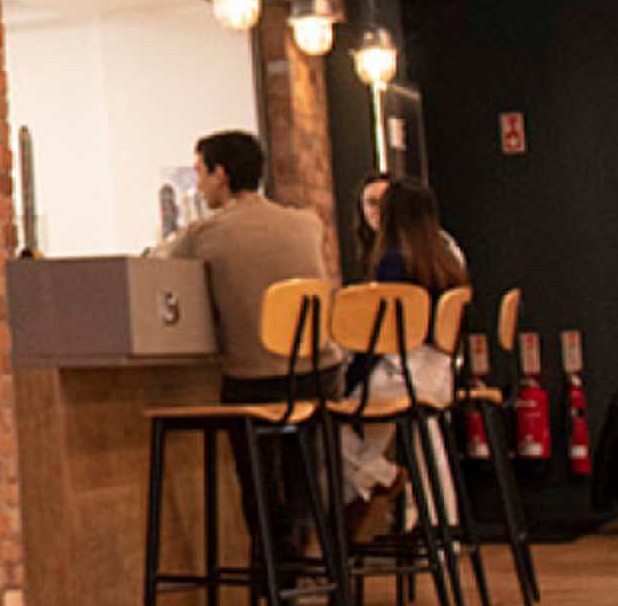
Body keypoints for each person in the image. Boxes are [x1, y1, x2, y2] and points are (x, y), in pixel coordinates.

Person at [154, 131, 334, 404]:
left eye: (201, 173)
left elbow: (155, 263)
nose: (199, 185)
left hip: (258, 382)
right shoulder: (308, 223)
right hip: (323, 376)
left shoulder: (204, 233)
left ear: (221, 175)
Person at [336, 179, 469, 536]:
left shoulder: (392, 262)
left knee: (329, 420)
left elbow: (373, 343)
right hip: (439, 377)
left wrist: (348, 383)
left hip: (399, 378)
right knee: (423, 437)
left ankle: (381, 477)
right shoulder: (449, 257)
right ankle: (443, 531)